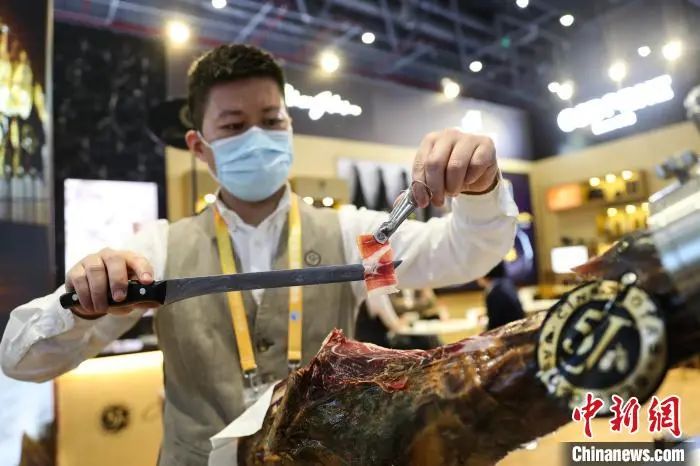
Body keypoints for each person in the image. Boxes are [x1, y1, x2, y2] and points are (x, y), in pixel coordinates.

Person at [0, 44, 518, 466]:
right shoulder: (157, 250)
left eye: (272, 120)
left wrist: (481, 187)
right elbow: (21, 360)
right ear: (199, 147)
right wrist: (81, 302)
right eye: (233, 125)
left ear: (289, 126)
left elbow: (463, 253)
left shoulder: (351, 235)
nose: (257, 137)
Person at [477, 261, 525, 331]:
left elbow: (494, 325)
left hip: (508, 333)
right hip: (517, 330)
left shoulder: (494, 293)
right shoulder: (506, 284)